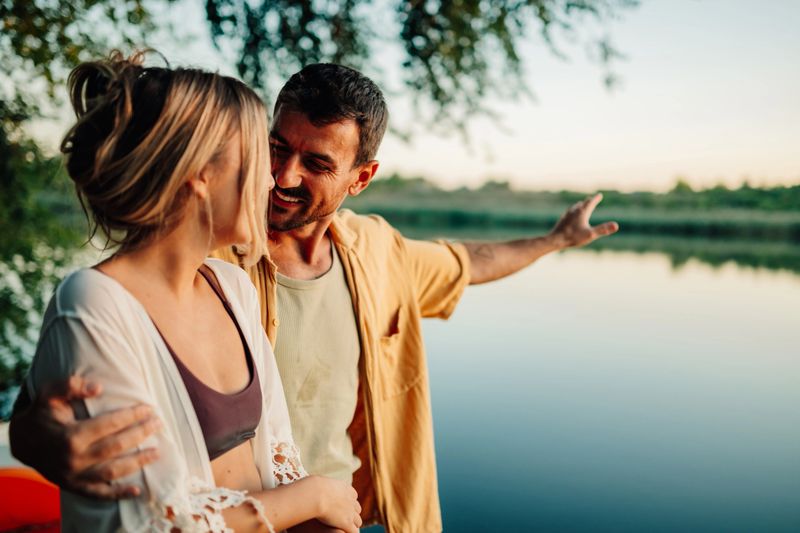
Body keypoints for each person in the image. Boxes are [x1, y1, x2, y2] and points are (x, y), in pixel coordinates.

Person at [11, 63, 618, 532]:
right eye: (275, 149)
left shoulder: (380, 254)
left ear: (361, 178)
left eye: (317, 162)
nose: (283, 176)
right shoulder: (207, 256)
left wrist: (555, 240)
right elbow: (48, 408)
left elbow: (472, 261)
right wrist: (46, 442)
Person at [15, 52, 362, 532]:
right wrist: (315, 496)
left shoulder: (233, 288)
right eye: (263, 157)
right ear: (202, 174)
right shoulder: (94, 301)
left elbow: (280, 460)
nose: (274, 180)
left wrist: (317, 508)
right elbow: (148, 523)